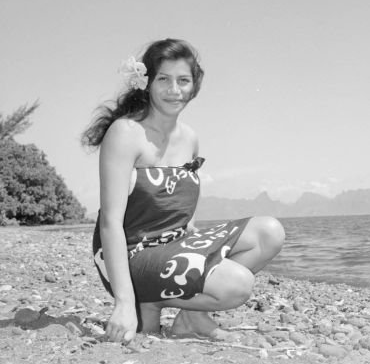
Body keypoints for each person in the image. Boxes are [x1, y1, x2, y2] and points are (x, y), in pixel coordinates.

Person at [81, 38, 285, 344]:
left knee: (270, 232)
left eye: (183, 81)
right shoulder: (125, 134)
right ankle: (146, 300)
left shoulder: (190, 138)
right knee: (238, 285)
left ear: (194, 87)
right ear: (146, 82)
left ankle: (191, 316)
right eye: (163, 79)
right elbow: (110, 223)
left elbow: (183, 216)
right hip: (131, 256)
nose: (173, 90)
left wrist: (202, 254)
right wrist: (123, 303)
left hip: (173, 246)